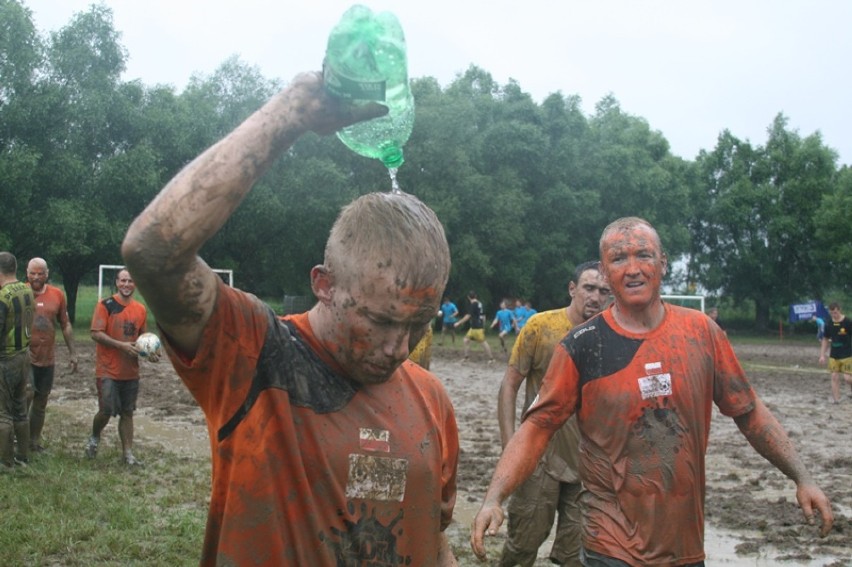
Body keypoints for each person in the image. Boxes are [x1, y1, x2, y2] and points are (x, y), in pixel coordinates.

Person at [121, 72, 459, 566]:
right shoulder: (255, 355)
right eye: (381, 321)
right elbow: (151, 250)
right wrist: (291, 113)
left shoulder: (430, 399)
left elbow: (432, 536)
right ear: (324, 283)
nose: (400, 347)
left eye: (420, 323)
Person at [472, 217, 834, 566]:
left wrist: (802, 477)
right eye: (618, 259)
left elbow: (749, 412)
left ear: (662, 263)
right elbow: (537, 429)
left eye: (643, 255)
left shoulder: (702, 333)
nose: (632, 268)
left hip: (683, 544)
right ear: (605, 270)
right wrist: (494, 497)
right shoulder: (582, 347)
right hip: (609, 543)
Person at [497, 261, 609, 566]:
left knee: (577, 556)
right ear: (572, 289)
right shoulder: (540, 327)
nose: (595, 297)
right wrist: (511, 448)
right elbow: (509, 387)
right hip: (539, 458)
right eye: (589, 288)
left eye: (603, 291)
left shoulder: (611, 338)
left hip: (588, 466)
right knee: (522, 548)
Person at [85, 268, 150, 466]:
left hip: (130, 371)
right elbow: (96, 333)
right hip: (107, 369)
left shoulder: (140, 309)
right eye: (123, 280)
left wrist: (151, 353)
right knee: (106, 410)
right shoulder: (106, 305)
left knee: (127, 413)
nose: (126, 285)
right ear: (117, 282)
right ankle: (95, 436)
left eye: (130, 281)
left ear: (135, 284)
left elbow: (143, 340)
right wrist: (121, 345)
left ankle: (128, 454)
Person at [26, 257, 78, 453]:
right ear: (27, 273)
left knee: (41, 402)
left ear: (47, 274)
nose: (36, 277)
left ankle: (33, 442)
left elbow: (65, 325)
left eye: (40, 273)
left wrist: (73, 353)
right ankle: (18, 443)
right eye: (33, 273)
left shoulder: (57, 294)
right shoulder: (20, 293)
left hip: (47, 358)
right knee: (26, 395)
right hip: (25, 357)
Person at [0, 252, 35, 468]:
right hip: (24, 355)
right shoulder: (26, 289)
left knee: (2, 412)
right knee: (21, 409)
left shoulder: (3, 296)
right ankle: (23, 455)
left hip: (6, 358)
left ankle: (4, 461)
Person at [818, 302, 852, 404]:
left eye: (836, 312)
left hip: (848, 353)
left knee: (847, 378)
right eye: (832, 313)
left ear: (839, 310)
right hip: (834, 354)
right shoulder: (828, 323)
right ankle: (836, 400)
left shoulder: (848, 322)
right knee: (834, 376)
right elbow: (825, 339)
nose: (834, 315)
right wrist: (822, 355)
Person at [456, 290, 494, 363]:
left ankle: (491, 358)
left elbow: (468, 316)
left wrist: (459, 323)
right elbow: (483, 315)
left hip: (476, 327)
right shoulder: (480, 304)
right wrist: (483, 325)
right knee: (466, 340)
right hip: (475, 327)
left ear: (468, 297)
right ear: (475, 296)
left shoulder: (473, 304)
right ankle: (466, 357)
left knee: (483, 343)